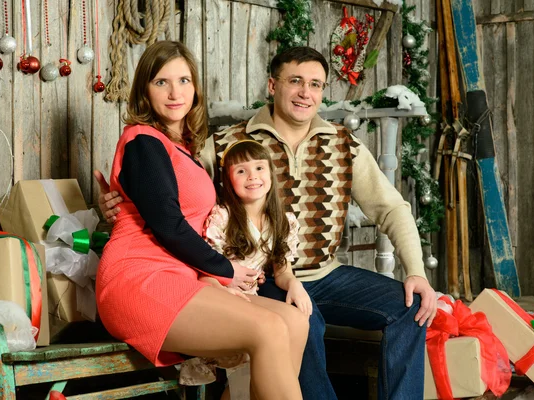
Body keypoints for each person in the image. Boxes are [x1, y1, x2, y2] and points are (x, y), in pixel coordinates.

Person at [97, 46, 437, 400]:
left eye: (316, 85)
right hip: (264, 275)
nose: (306, 92)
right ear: (273, 86)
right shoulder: (227, 143)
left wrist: (416, 270)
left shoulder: (343, 144)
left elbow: (392, 208)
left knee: (410, 306)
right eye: (295, 81)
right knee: (300, 318)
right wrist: (119, 204)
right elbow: (170, 202)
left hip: (324, 274)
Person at [95, 40, 308, 400]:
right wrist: (226, 269)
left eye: (184, 81)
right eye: (161, 82)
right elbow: (167, 225)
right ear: (144, 90)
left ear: (195, 88)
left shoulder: (183, 147)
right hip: (141, 279)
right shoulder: (143, 142)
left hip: (183, 276)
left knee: (294, 322)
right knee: (269, 328)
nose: (175, 92)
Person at [180, 140, 313, 397]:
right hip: (220, 295)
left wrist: (294, 284)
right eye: (241, 171)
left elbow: (283, 270)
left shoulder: (282, 221)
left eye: (260, 168)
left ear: (271, 174)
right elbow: (206, 276)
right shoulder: (223, 217)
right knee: (250, 364)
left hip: (250, 297)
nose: (252, 176)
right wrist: (225, 291)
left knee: (297, 322)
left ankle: (278, 390)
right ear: (229, 180)